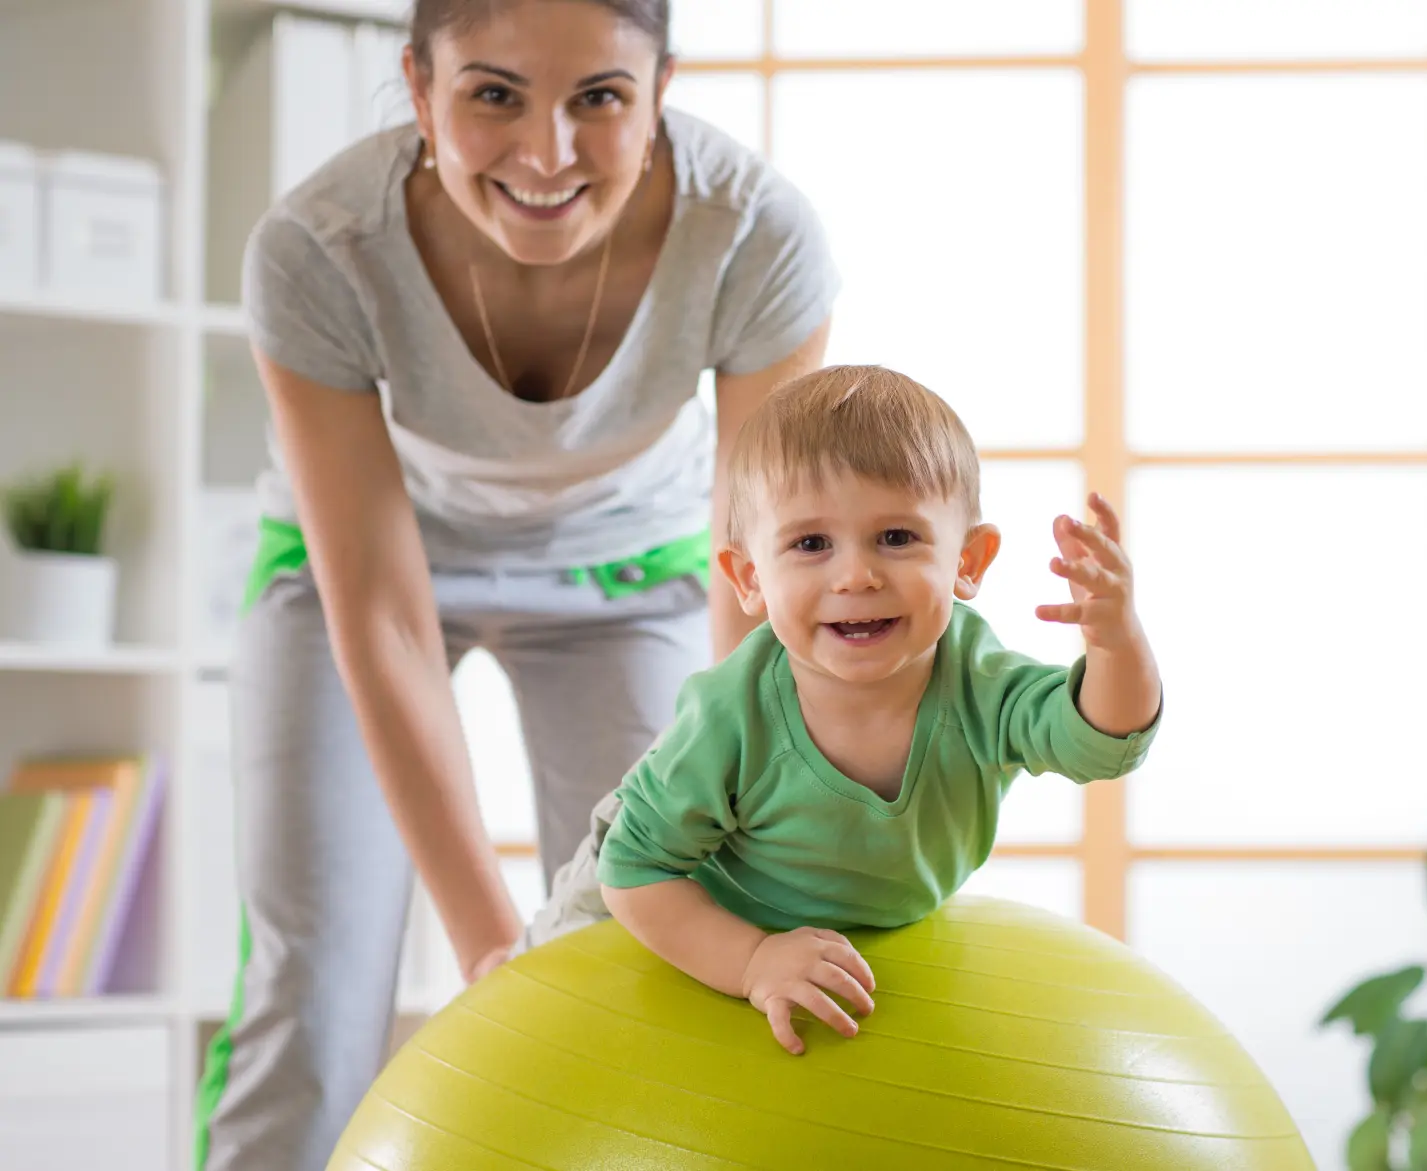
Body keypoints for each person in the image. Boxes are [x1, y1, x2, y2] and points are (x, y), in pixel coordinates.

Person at [193, 0, 839, 1166]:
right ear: (419, 87)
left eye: (599, 99)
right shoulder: (316, 248)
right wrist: (493, 948)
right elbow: (384, 618)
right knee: (318, 992)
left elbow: (767, 566)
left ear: (661, 91)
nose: (546, 155)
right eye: (494, 94)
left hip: (632, 573)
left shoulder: (755, 237)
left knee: (662, 958)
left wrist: (750, 839)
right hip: (365, 577)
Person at [516, 364, 1164, 1055]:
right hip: (662, 894)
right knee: (529, 1014)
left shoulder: (978, 681)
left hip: (822, 928)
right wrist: (751, 959)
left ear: (969, 560)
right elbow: (636, 871)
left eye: (896, 537)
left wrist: (1115, 642)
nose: (856, 574)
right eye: (811, 543)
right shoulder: (731, 713)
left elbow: (1099, 741)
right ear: (749, 578)